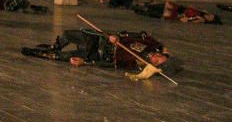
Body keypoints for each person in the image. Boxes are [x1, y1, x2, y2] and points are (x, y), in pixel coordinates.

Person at [21, 29, 169, 71]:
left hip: (95, 54)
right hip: (99, 40)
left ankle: (36, 53)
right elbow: (142, 34)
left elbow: (111, 65)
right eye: (159, 55)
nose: (155, 56)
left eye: (156, 61)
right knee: (68, 34)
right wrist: (118, 36)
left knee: (60, 56)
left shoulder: (135, 64)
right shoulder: (150, 45)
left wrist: (85, 63)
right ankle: (55, 45)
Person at [133, 1, 222, 24]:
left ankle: (140, 10)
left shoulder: (201, 20)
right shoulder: (203, 12)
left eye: (211, 17)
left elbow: (186, 21)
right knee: (163, 6)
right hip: (179, 9)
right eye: (211, 15)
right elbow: (191, 7)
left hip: (177, 14)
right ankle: (143, 6)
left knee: (158, 12)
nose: (209, 15)